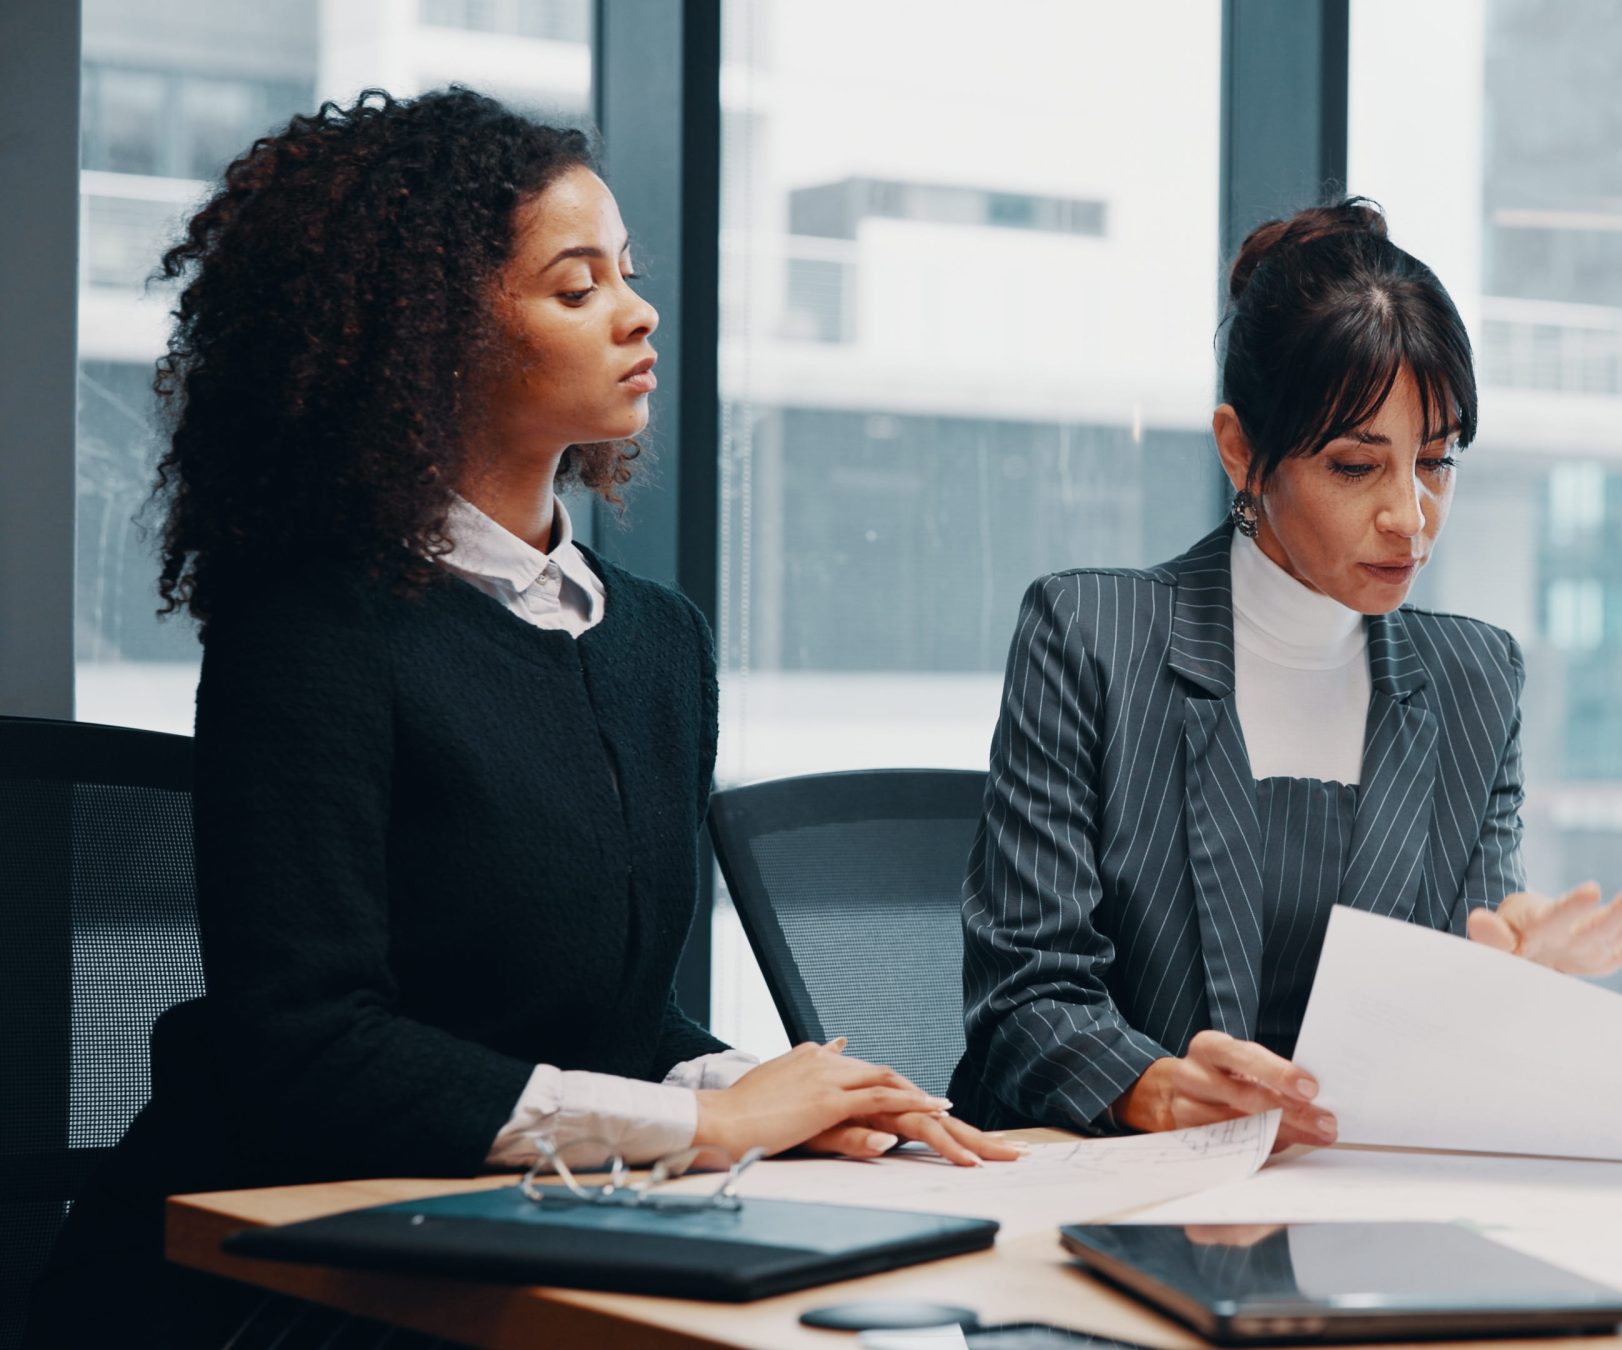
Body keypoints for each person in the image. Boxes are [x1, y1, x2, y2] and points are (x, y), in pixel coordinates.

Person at [36, 88, 1010, 1346]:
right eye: (576, 285)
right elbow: (312, 1047)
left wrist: (764, 1090)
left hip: (525, 1239)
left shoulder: (655, 642)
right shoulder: (314, 631)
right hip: (277, 1282)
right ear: (430, 331)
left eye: (628, 274)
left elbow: (615, 1021)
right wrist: (707, 1127)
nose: (638, 311)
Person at [952, 199, 1622, 1148]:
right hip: (1120, 1189)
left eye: (1435, 462)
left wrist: (1512, 988)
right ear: (1241, 451)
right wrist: (1158, 1091)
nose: (1409, 517)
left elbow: (1454, 1004)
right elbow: (1023, 997)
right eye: (1354, 467)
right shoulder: (1092, 636)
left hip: (1359, 1207)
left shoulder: (1473, 677)